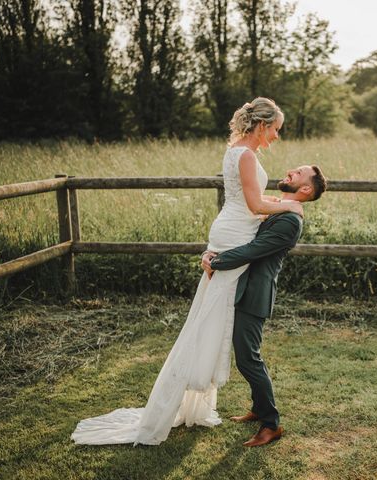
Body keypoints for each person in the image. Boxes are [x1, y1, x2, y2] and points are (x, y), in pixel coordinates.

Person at [71, 98, 306, 446]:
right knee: (215, 326)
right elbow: (256, 206)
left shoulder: (237, 152)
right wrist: (291, 204)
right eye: (275, 129)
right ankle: (247, 406)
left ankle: (243, 401)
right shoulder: (246, 156)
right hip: (233, 236)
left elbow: (251, 208)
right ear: (261, 125)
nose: (276, 136)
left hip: (231, 232)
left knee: (212, 322)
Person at [201, 164, 327, 447]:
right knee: (247, 356)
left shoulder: (289, 222)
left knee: (248, 359)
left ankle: (271, 424)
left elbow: (252, 250)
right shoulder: (281, 208)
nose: (290, 172)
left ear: (306, 189)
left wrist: (216, 262)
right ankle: (258, 409)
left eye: (297, 173)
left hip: (255, 294)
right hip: (241, 288)